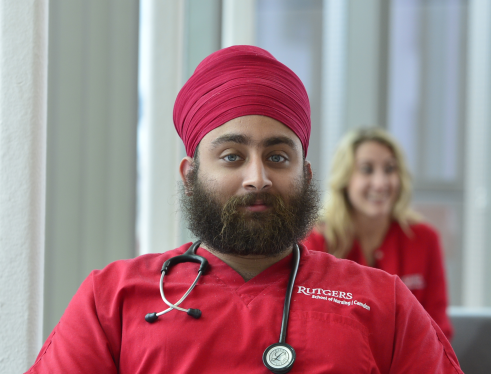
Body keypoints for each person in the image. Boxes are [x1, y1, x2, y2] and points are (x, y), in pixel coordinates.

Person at [26, 46, 462, 373]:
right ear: (190, 176)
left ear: (306, 175)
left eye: (277, 157)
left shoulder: (384, 302)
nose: (258, 177)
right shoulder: (111, 300)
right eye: (232, 156)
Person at [302, 127, 453, 340]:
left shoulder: (424, 239)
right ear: (345, 179)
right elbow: (310, 328)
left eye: (390, 169)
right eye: (367, 169)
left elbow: (438, 329)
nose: (381, 183)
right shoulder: (315, 241)